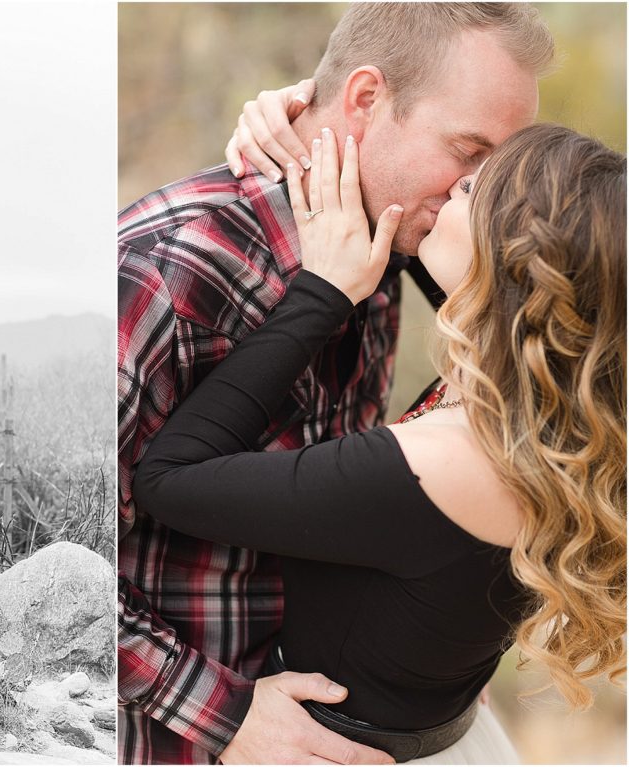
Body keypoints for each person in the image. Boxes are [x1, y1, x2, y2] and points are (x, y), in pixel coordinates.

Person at [118, 4, 554, 763]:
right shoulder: (166, 270)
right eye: (469, 150)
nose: (483, 194)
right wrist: (226, 713)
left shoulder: (400, 234)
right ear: (363, 101)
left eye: (502, 166)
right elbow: (70, 550)